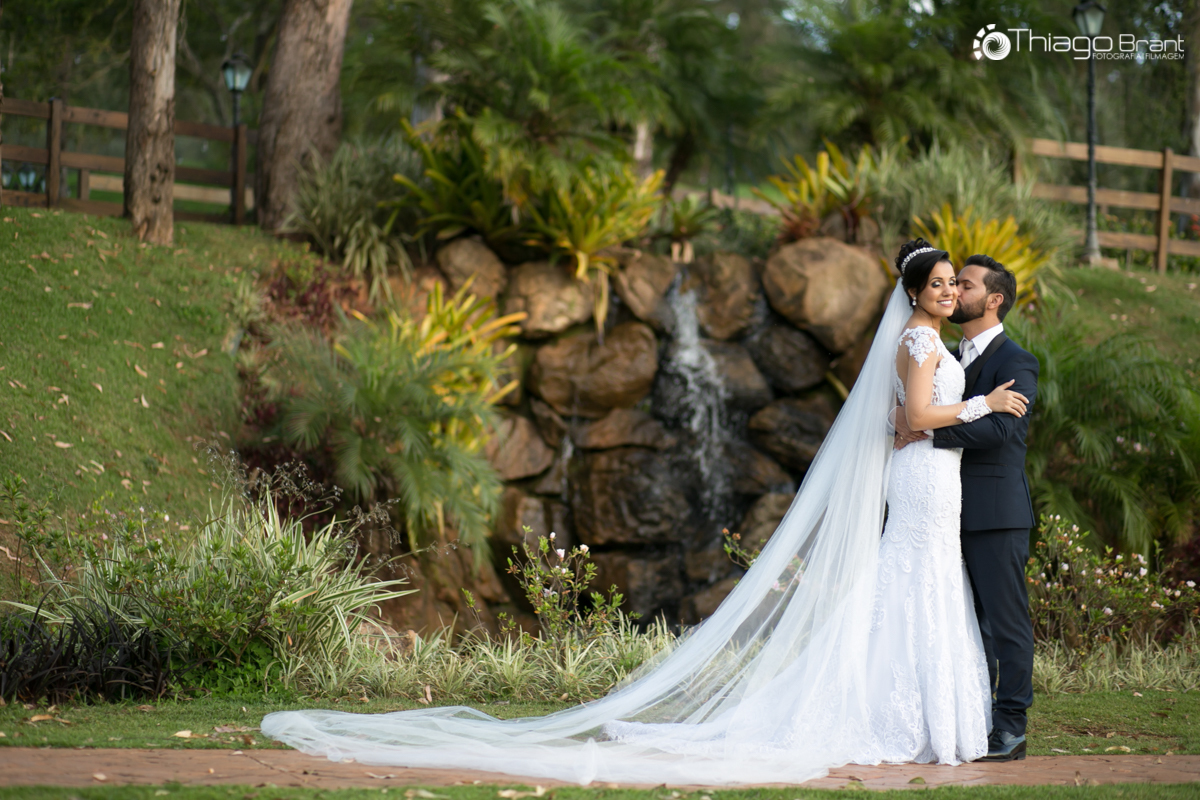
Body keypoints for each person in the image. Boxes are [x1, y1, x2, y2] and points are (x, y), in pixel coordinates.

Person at [261, 240, 1028, 786]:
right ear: (915, 292)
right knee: (913, 578)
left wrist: (944, 413)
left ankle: (928, 719)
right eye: (938, 284)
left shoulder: (924, 341)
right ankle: (917, 720)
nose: (948, 291)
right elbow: (917, 417)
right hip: (925, 479)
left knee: (920, 580)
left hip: (933, 479)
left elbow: (900, 421)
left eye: (953, 284)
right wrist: (981, 405)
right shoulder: (919, 342)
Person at [894, 254, 1039, 762]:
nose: (955, 290)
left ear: (993, 300)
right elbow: (919, 403)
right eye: (949, 282)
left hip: (995, 512)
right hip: (940, 506)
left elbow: (1002, 430)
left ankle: (1011, 727)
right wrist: (904, 417)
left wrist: (925, 430)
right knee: (959, 622)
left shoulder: (1017, 361)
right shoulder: (943, 348)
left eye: (965, 284)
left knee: (1005, 623)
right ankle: (966, 720)